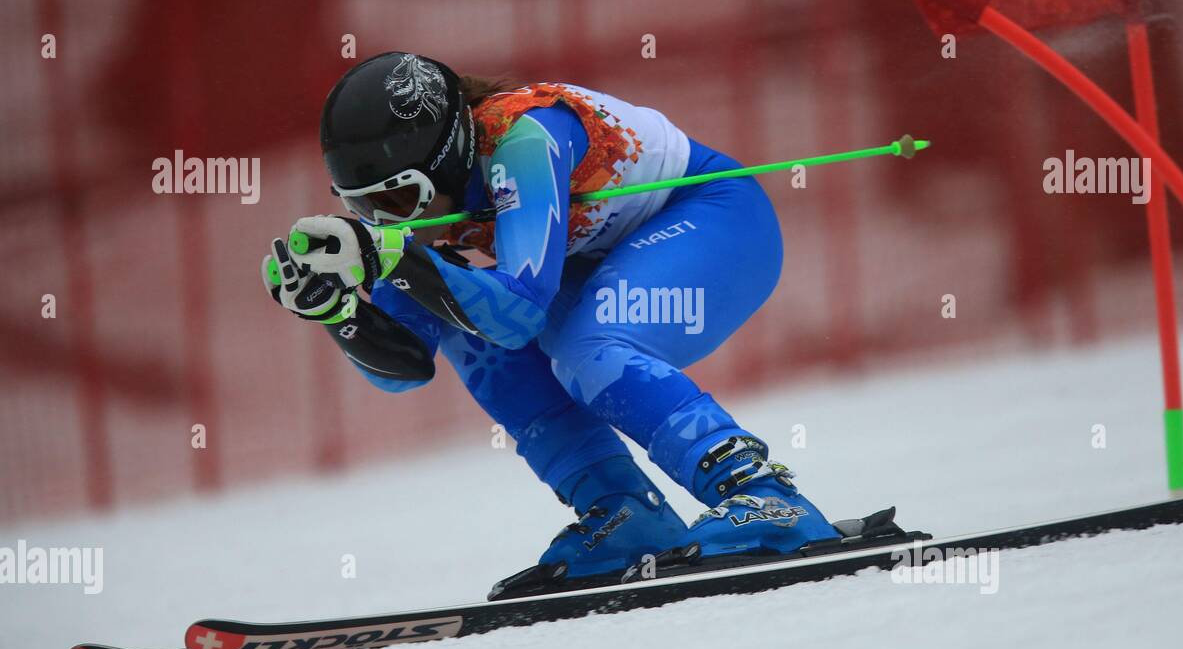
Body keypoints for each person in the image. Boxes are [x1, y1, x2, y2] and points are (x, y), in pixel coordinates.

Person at [263, 52, 842, 588]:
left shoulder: (523, 140)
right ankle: (626, 512)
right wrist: (337, 312)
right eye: (357, 206)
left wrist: (393, 255)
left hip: (717, 223)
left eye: (394, 201)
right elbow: (405, 368)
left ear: (449, 156)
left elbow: (519, 312)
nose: (383, 220)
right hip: (608, 257)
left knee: (586, 347)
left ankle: (765, 496)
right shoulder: (418, 213)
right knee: (470, 328)